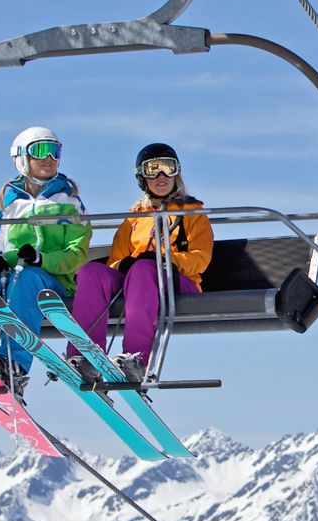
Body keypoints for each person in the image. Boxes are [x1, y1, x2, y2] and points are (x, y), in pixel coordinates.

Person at [0, 126, 92, 397]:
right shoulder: (9, 200)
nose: (49, 157)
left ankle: (13, 363)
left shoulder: (69, 202)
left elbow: (77, 255)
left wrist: (43, 259)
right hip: (11, 275)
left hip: (51, 281)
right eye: (40, 150)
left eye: (55, 151)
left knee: (28, 279)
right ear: (21, 158)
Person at [68, 143, 213, 382]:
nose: (161, 176)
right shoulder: (135, 217)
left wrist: (166, 260)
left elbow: (201, 259)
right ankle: (86, 357)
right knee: (92, 272)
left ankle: (136, 358)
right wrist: (122, 266)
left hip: (178, 282)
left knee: (144, 268)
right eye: (153, 169)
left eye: (168, 168)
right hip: (136, 281)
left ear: (177, 172)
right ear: (142, 177)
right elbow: (116, 259)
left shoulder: (191, 212)